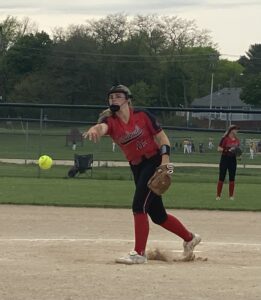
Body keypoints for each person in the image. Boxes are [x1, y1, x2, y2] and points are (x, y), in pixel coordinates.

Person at [83, 84, 201, 265]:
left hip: (153, 162)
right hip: (137, 168)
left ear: (127, 100)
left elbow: (162, 138)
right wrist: (94, 129)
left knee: (139, 206)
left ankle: (139, 253)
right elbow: (102, 128)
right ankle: (190, 238)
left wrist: (165, 161)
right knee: (158, 215)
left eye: (118, 96)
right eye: (111, 97)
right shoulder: (111, 121)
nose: (113, 99)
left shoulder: (143, 116)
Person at [216, 125, 240, 201]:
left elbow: (237, 152)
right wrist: (228, 150)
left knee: (232, 178)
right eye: (236, 130)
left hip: (233, 160)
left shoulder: (237, 140)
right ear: (232, 130)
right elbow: (219, 149)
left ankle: (231, 196)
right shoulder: (224, 139)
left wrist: (239, 156)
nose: (237, 131)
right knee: (222, 177)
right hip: (225, 159)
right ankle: (218, 196)